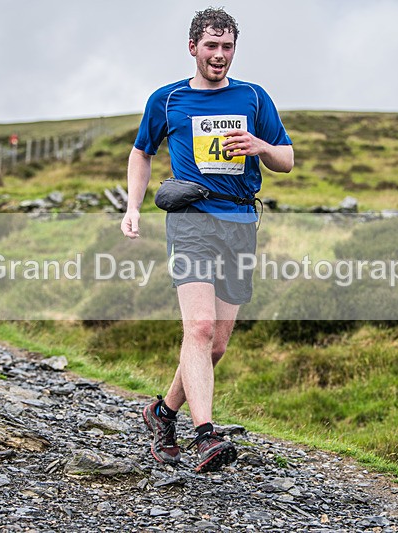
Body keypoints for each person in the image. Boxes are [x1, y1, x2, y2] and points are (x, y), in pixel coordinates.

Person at [120, 7, 294, 473]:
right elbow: (141, 152)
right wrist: (133, 207)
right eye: (211, 46)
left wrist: (261, 147)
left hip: (239, 223)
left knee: (215, 344)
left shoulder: (254, 97)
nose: (219, 55)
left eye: (227, 46)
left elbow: (287, 159)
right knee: (196, 329)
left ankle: (163, 414)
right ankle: (206, 436)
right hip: (191, 219)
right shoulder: (168, 99)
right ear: (193, 47)